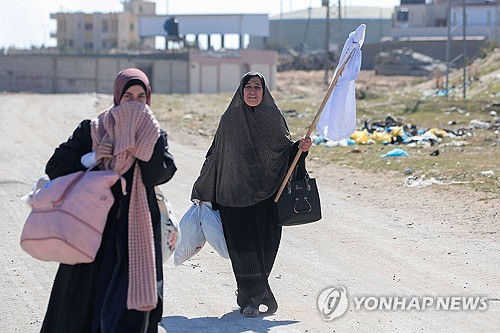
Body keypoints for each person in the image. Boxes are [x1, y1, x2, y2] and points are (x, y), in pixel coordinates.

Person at [40, 68, 177, 332]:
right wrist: (92, 157)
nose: (135, 104)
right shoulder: (94, 129)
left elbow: (159, 174)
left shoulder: (153, 134)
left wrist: (142, 143)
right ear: (117, 97)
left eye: (141, 97)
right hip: (92, 232)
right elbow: (55, 167)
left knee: (129, 305)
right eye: (129, 97)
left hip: (133, 234)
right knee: (82, 303)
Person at [191, 71, 311, 317]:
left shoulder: (273, 117)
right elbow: (216, 155)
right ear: (241, 91)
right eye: (248, 87)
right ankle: (251, 300)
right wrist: (203, 187)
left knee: (266, 247)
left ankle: (257, 295)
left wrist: (301, 149)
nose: (253, 91)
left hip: (268, 196)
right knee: (243, 250)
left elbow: (284, 152)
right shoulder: (230, 119)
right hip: (233, 195)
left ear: (264, 91)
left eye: (257, 86)